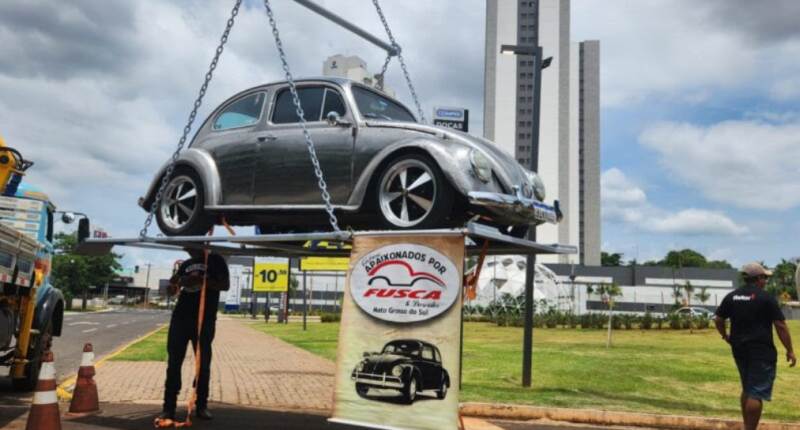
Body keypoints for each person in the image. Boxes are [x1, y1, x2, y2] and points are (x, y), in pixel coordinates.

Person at [714, 263, 795, 430]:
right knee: (756, 392)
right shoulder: (766, 298)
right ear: (758, 278)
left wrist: (725, 336)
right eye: (764, 277)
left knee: (747, 388)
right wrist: (790, 350)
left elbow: (719, 319)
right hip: (761, 351)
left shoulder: (732, 296)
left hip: (739, 349)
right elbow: (780, 326)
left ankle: (746, 426)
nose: (765, 280)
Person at [158, 249, 230, 421]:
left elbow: (225, 285)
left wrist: (200, 280)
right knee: (174, 361)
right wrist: (179, 282)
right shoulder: (185, 265)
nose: (186, 249)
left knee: (203, 363)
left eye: (188, 246)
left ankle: (201, 405)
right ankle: (169, 407)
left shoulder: (215, 260)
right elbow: (171, 287)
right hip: (180, 318)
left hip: (204, 319)